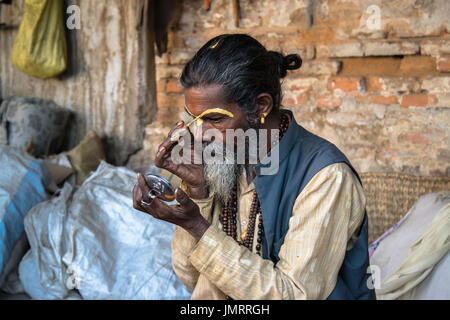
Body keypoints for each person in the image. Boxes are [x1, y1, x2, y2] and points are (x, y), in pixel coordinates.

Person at [132, 34, 376, 300]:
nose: (200, 134)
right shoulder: (222, 161)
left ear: (261, 106)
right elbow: (191, 279)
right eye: (194, 119)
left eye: (213, 119)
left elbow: (294, 295)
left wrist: (198, 227)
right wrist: (197, 192)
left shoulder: (326, 176)